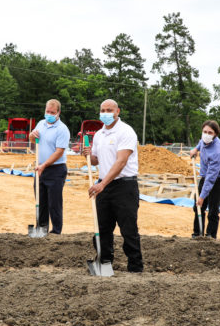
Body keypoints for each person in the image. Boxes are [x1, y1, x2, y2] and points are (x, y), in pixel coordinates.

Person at [81, 99, 143, 272]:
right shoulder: (100, 134)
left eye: (109, 110)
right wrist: (85, 154)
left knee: (128, 228)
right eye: (103, 110)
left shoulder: (126, 132)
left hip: (124, 186)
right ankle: (104, 262)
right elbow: (95, 160)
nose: (105, 113)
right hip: (104, 185)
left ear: (117, 112)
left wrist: (102, 184)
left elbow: (121, 161)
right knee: (101, 228)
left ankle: (135, 267)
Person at [29, 99, 70, 234]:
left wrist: (45, 165)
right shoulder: (41, 124)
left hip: (55, 169)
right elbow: (33, 142)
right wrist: (31, 137)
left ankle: (56, 232)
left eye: (52, 112)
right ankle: (41, 229)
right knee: (41, 202)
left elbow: (59, 152)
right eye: (47, 111)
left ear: (58, 113)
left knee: (54, 203)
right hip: (40, 168)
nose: (49, 114)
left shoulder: (62, 129)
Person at [189, 120, 220, 239]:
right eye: (205, 132)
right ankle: (197, 234)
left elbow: (211, 178)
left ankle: (210, 237)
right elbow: (200, 144)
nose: (206, 134)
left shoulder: (218, 152)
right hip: (205, 177)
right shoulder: (204, 140)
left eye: (210, 132)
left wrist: (202, 197)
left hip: (217, 181)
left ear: (215, 134)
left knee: (213, 211)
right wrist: (195, 150)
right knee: (198, 207)